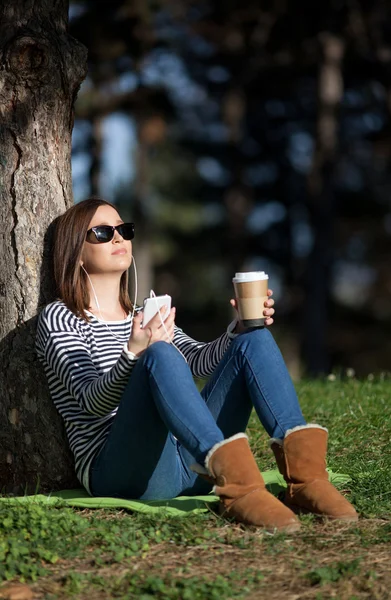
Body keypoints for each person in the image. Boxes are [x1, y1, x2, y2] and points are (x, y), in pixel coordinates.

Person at [36, 197, 358, 532]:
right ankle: (241, 487)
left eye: (123, 229)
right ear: (74, 249)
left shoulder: (146, 313)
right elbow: (90, 402)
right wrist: (133, 354)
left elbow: (198, 362)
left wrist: (238, 328)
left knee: (254, 338)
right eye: (102, 233)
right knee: (158, 354)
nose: (118, 238)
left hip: (192, 469)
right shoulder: (61, 318)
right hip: (118, 473)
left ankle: (305, 480)